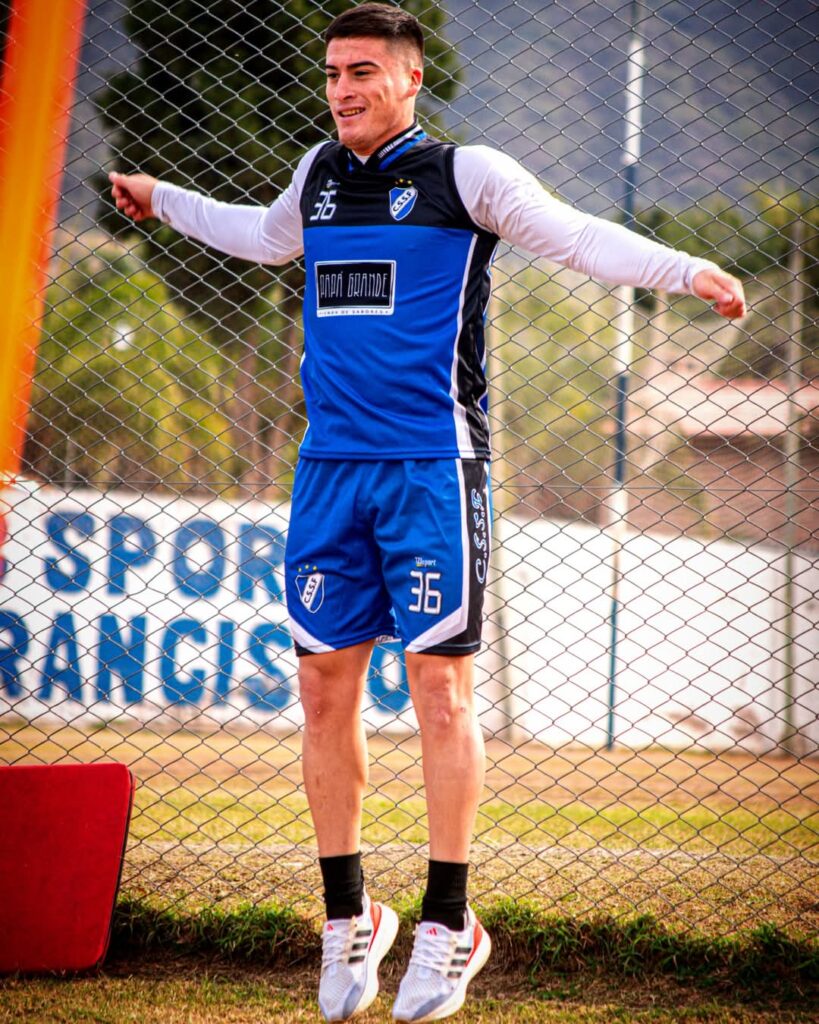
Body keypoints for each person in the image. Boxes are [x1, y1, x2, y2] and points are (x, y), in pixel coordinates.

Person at [109, 4, 745, 1020]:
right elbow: (259, 236)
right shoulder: (319, 175)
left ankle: (450, 924)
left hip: (433, 469)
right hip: (329, 470)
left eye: (362, 71)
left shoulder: (466, 175)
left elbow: (577, 237)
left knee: (439, 690)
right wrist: (162, 198)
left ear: (409, 79)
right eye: (332, 73)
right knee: (323, 688)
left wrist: (686, 272)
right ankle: (349, 917)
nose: (342, 90)